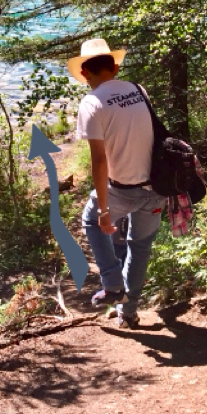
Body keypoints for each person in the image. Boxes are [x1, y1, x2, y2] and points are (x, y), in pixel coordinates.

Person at [68, 38, 166, 329]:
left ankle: (112, 283)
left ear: (85, 73)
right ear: (114, 66)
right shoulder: (138, 90)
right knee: (140, 246)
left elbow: (99, 161)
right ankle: (128, 313)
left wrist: (103, 209)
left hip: (122, 190)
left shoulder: (91, 103)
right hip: (157, 188)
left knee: (90, 221)